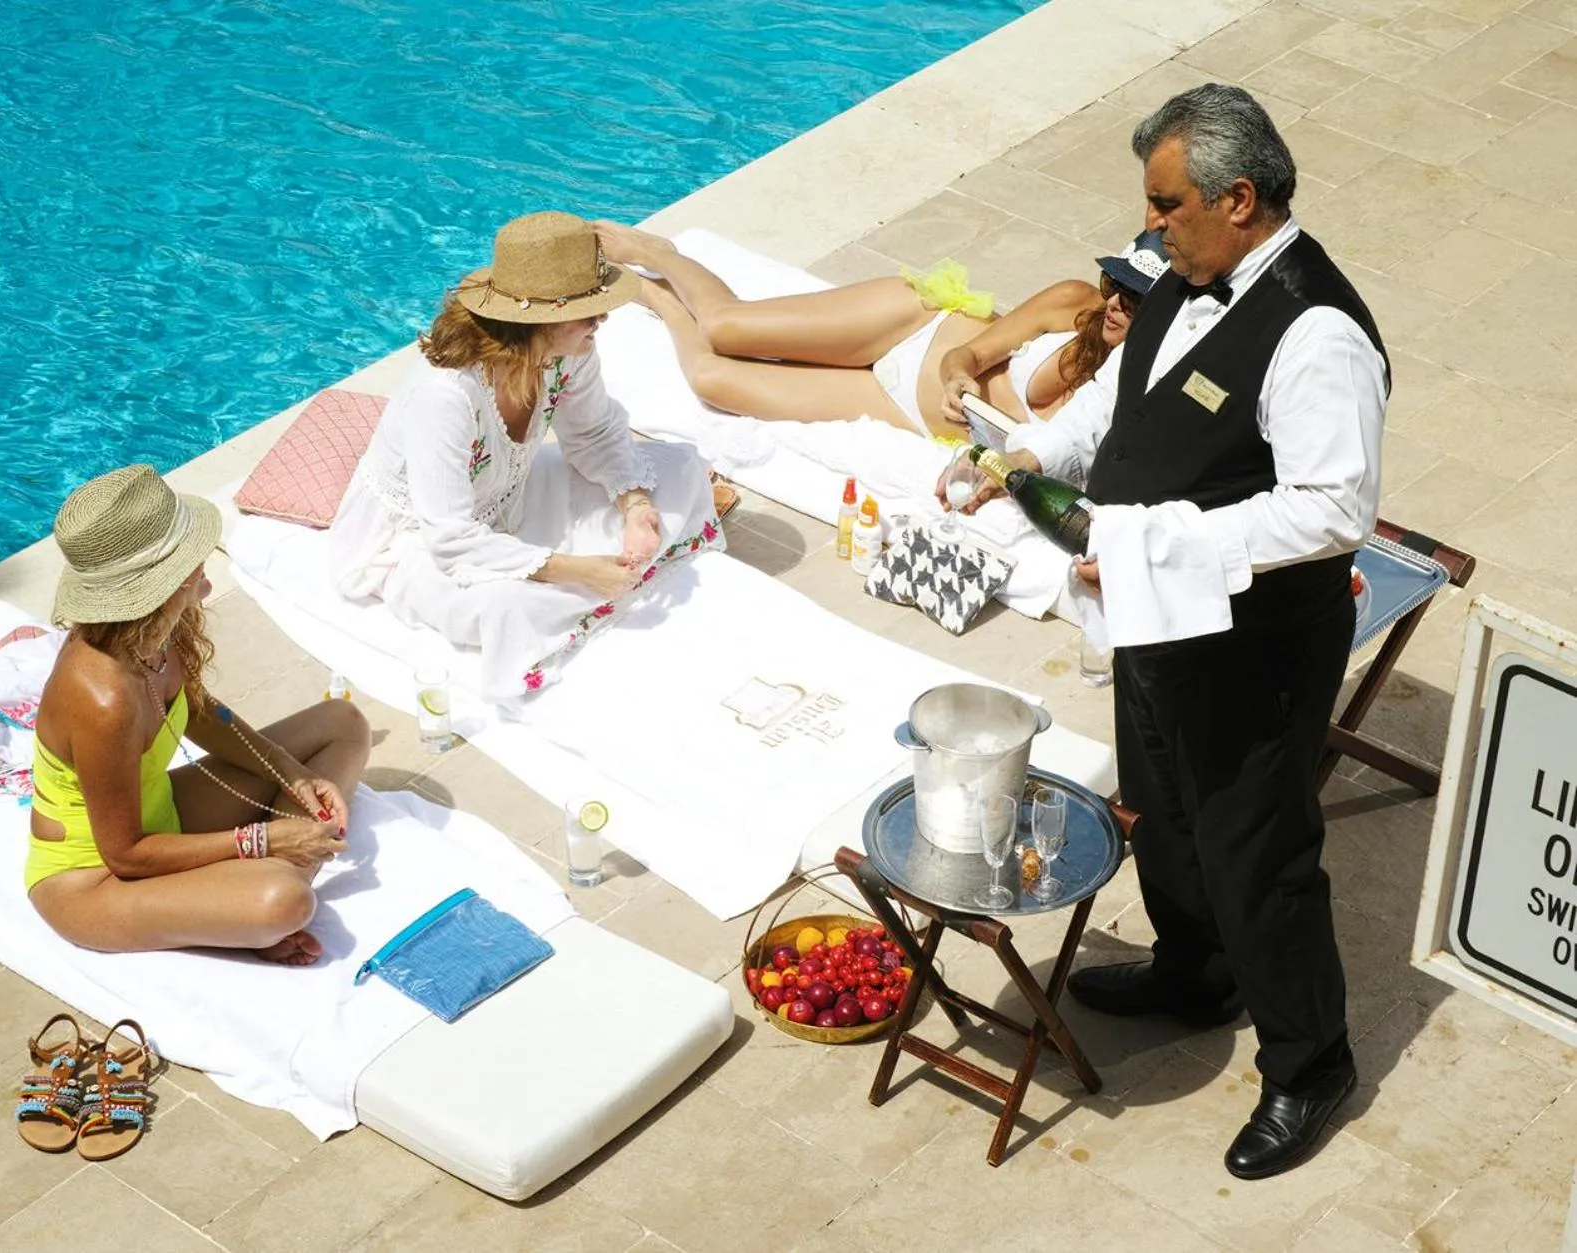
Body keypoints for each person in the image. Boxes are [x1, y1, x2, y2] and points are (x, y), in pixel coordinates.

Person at [997, 85, 1387, 1180]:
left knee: (1256, 850)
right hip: (1156, 618)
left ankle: (1311, 1061)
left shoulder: (1317, 335)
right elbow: (1120, 398)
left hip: (1254, 645)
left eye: (1167, 204)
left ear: (1239, 198)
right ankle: (1194, 968)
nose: (1152, 223)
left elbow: (1332, 508)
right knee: (1161, 805)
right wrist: (1031, 457)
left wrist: (1156, 545)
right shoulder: (1185, 272)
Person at [330, 211, 722, 701]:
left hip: (506, 496)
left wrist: (635, 505)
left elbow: (595, 433)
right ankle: (580, 587)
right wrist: (579, 570)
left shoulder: (570, 352)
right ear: (539, 321)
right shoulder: (444, 396)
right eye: (587, 310)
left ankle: (583, 582)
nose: (601, 320)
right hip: (415, 543)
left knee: (680, 467)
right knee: (508, 607)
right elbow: (450, 539)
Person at [27, 464, 372, 966]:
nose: (205, 556)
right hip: (93, 880)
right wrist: (262, 839)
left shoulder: (151, 633)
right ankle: (252, 893)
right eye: (191, 553)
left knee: (342, 724)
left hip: (162, 818)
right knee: (285, 901)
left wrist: (292, 774)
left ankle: (236, 897)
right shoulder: (102, 699)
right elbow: (124, 854)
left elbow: (198, 712)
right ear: (162, 582)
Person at [592, 220, 1168, 439]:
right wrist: (958, 378)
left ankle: (660, 299)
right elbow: (971, 354)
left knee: (713, 381)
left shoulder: (1139, 394)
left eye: (1137, 300)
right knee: (724, 327)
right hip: (915, 326)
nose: (1116, 303)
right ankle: (660, 255)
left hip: (905, 410)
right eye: (1115, 284)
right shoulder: (1074, 304)